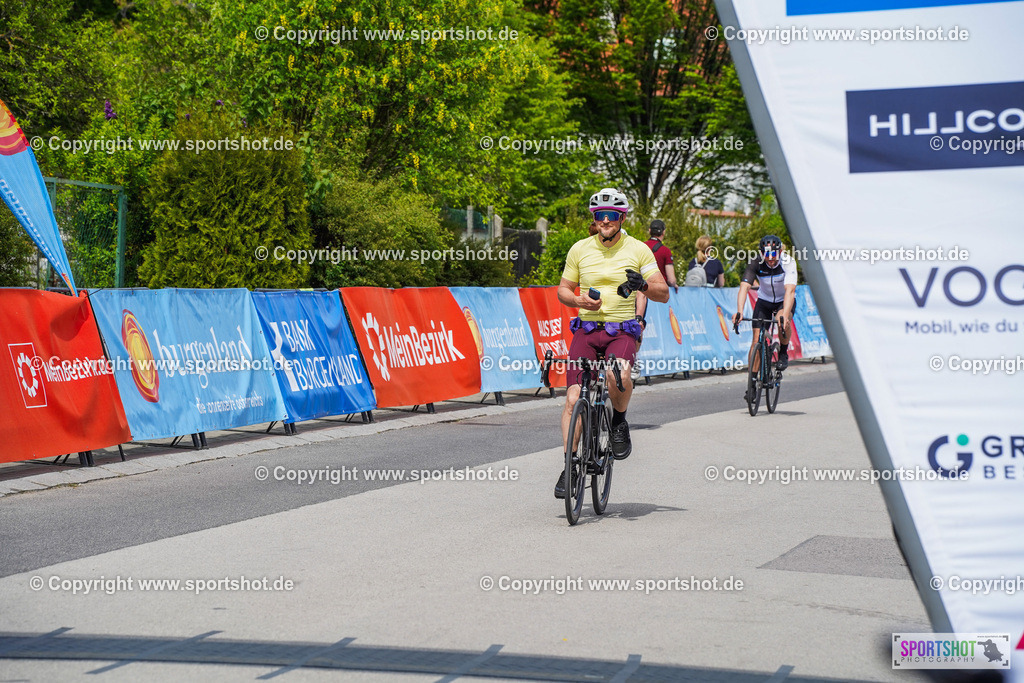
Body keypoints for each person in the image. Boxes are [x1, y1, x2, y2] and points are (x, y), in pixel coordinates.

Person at [554, 188, 669, 498]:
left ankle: (618, 421)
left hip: (621, 330)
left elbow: (663, 292)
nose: (605, 221)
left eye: (611, 216)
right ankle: (571, 465)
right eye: (599, 216)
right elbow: (562, 290)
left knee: (617, 374)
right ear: (594, 219)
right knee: (572, 398)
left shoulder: (639, 250)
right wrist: (577, 299)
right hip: (587, 330)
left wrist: (642, 284)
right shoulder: (579, 249)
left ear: (622, 218)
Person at [731, 235, 797, 394]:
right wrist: (739, 311)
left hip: (783, 300)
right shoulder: (755, 262)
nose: (771, 261)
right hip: (764, 301)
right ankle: (752, 383)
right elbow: (744, 287)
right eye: (767, 257)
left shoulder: (788, 262)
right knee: (756, 341)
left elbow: (790, 291)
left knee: (782, 319)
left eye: (774, 257)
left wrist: (785, 315)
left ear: (780, 251)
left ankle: (782, 352)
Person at [643, 219, 678, 292]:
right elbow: (671, 280)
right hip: (658, 292)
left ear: (649, 231)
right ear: (663, 232)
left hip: (642, 290)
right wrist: (674, 284)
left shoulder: (640, 246)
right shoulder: (666, 251)